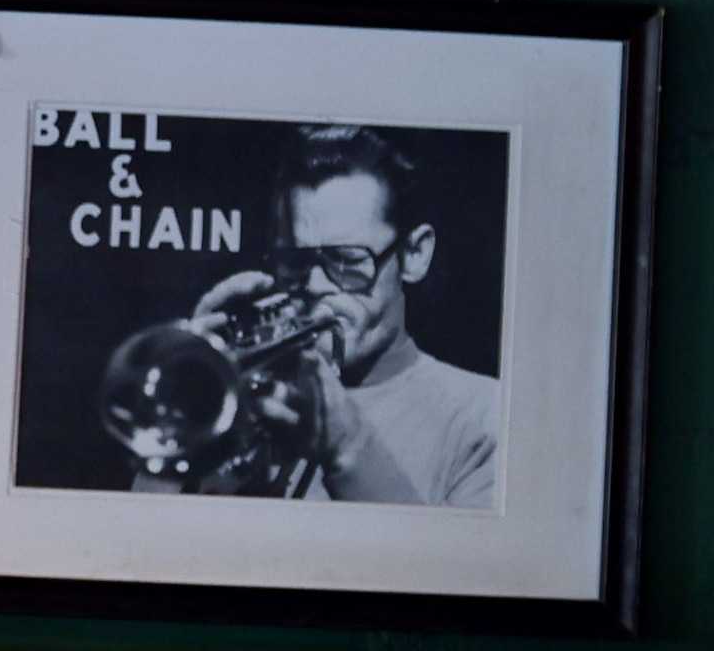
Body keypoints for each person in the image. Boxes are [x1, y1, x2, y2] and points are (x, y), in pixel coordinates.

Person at [177, 125, 503, 509]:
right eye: (295, 262)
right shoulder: (248, 401)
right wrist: (188, 409)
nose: (314, 284)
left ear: (414, 254)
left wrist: (346, 444)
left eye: (348, 261)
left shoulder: (487, 415)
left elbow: (446, 567)